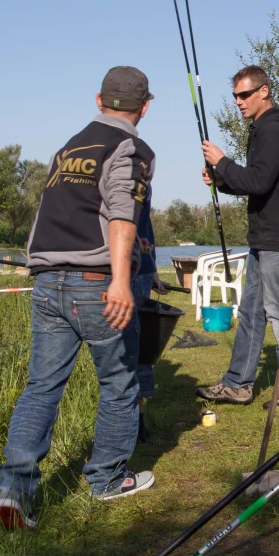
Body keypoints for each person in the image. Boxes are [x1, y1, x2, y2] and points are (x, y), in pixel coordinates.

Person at [0, 65, 158, 528]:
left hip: (48, 282)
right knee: (120, 383)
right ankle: (107, 479)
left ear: (98, 100)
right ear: (144, 107)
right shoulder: (130, 147)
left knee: (42, 387)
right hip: (98, 284)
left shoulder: (67, 149)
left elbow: (72, 213)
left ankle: (13, 490)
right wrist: (123, 279)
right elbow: (123, 216)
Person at [196, 65, 279, 408]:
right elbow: (255, 184)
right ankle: (238, 384)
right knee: (250, 313)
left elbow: (258, 181)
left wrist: (223, 162)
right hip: (264, 240)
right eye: (235, 96)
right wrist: (222, 179)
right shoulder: (261, 129)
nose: (238, 101)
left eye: (244, 94)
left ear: (264, 91)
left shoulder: (274, 131)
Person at [121, 187, 173, 445]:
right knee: (124, 347)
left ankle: (138, 424)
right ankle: (128, 423)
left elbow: (144, 224)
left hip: (138, 268)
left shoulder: (139, 174)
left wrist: (150, 268)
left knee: (138, 347)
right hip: (119, 266)